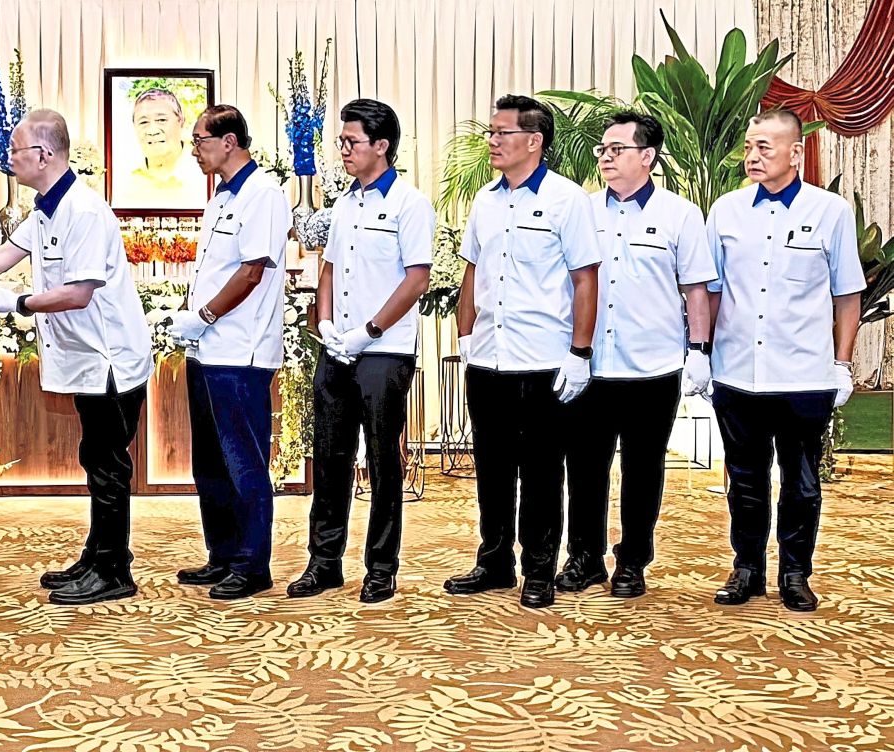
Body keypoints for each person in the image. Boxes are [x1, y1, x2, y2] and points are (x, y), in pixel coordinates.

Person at [0, 108, 154, 606]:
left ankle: (113, 571)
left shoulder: (83, 211)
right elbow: (1, 257)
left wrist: (13, 302)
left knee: (108, 464)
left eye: (16, 151)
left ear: (43, 155)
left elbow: (78, 293)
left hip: (108, 359)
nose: (9, 158)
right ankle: (100, 554)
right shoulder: (45, 207)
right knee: (96, 458)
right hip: (85, 357)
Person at [443, 94, 600, 609]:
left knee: (540, 470)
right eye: (491, 132)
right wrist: (466, 337)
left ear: (533, 140)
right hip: (488, 356)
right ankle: (493, 562)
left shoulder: (566, 199)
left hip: (543, 359)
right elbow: (471, 273)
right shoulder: (485, 200)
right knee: (490, 466)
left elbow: (584, 280)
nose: (491, 141)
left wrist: (580, 352)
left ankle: (539, 568)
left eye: (501, 133)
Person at [706, 109, 863, 612]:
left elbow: (847, 295)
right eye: (749, 147)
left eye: (764, 148)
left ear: (795, 152)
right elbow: (710, 290)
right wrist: (701, 352)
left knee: (800, 483)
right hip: (736, 372)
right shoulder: (725, 210)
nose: (752, 156)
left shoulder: (830, 211)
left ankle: (795, 573)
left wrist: (841, 364)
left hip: (804, 374)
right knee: (745, 481)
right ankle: (746, 568)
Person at [556, 112, 717, 599]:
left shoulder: (680, 215)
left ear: (646, 156)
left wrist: (699, 351)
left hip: (653, 365)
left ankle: (633, 561)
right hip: (589, 363)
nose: (603, 156)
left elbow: (695, 291)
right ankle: (584, 556)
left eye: (616, 148)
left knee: (644, 467)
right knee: (584, 466)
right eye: (602, 149)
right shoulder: (580, 210)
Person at [286, 99, 433, 605]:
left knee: (381, 458)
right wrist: (324, 321)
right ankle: (324, 562)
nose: (343, 150)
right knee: (329, 455)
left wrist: (367, 331)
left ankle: (381, 566)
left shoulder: (410, 204)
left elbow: (417, 279)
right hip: (338, 346)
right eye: (342, 141)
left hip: (384, 349)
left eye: (351, 142)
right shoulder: (345, 202)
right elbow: (328, 266)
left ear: (381, 146)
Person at [167, 105, 291, 600]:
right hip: (209, 349)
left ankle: (252, 563)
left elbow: (251, 271)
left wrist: (206, 316)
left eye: (199, 140)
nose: (193, 148)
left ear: (230, 141)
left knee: (244, 460)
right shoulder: (221, 196)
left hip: (241, 349)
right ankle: (222, 555)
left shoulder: (263, 194)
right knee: (211, 462)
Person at [114, 88, 207, 209]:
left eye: (161, 120)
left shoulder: (206, 175)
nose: (152, 131)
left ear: (181, 121)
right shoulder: (122, 181)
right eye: (143, 122)